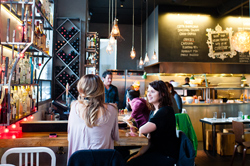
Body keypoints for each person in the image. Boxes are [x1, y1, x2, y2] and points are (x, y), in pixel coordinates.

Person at [127, 80, 179, 166]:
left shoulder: (166, 110)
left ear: (162, 94)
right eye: (148, 92)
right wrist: (139, 154)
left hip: (166, 155)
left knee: (131, 164)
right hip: (155, 150)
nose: (149, 94)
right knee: (127, 159)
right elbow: (149, 140)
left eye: (152, 92)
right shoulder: (153, 111)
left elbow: (142, 129)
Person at [67, 74, 119, 160]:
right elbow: (116, 137)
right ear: (101, 90)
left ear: (81, 90)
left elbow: (70, 136)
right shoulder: (112, 110)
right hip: (103, 162)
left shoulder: (74, 106)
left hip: (78, 162)